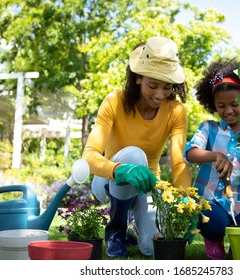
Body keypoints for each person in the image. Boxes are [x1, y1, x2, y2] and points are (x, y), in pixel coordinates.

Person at [82, 37, 192, 258]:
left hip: (148, 184)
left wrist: (186, 199)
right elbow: (89, 155)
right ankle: (116, 231)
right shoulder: (114, 101)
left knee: (152, 247)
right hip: (109, 180)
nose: (160, 95)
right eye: (153, 85)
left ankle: (134, 227)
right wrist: (120, 169)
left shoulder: (176, 111)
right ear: (138, 78)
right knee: (134, 154)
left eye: (167, 87)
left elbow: (178, 162)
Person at [183, 58, 240, 260]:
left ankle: (235, 248)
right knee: (215, 225)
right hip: (210, 200)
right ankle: (213, 239)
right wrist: (215, 155)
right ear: (213, 106)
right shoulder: (208, 128)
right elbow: (189, 152)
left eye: (234, 104)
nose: (228, 110)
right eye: (221, 106)